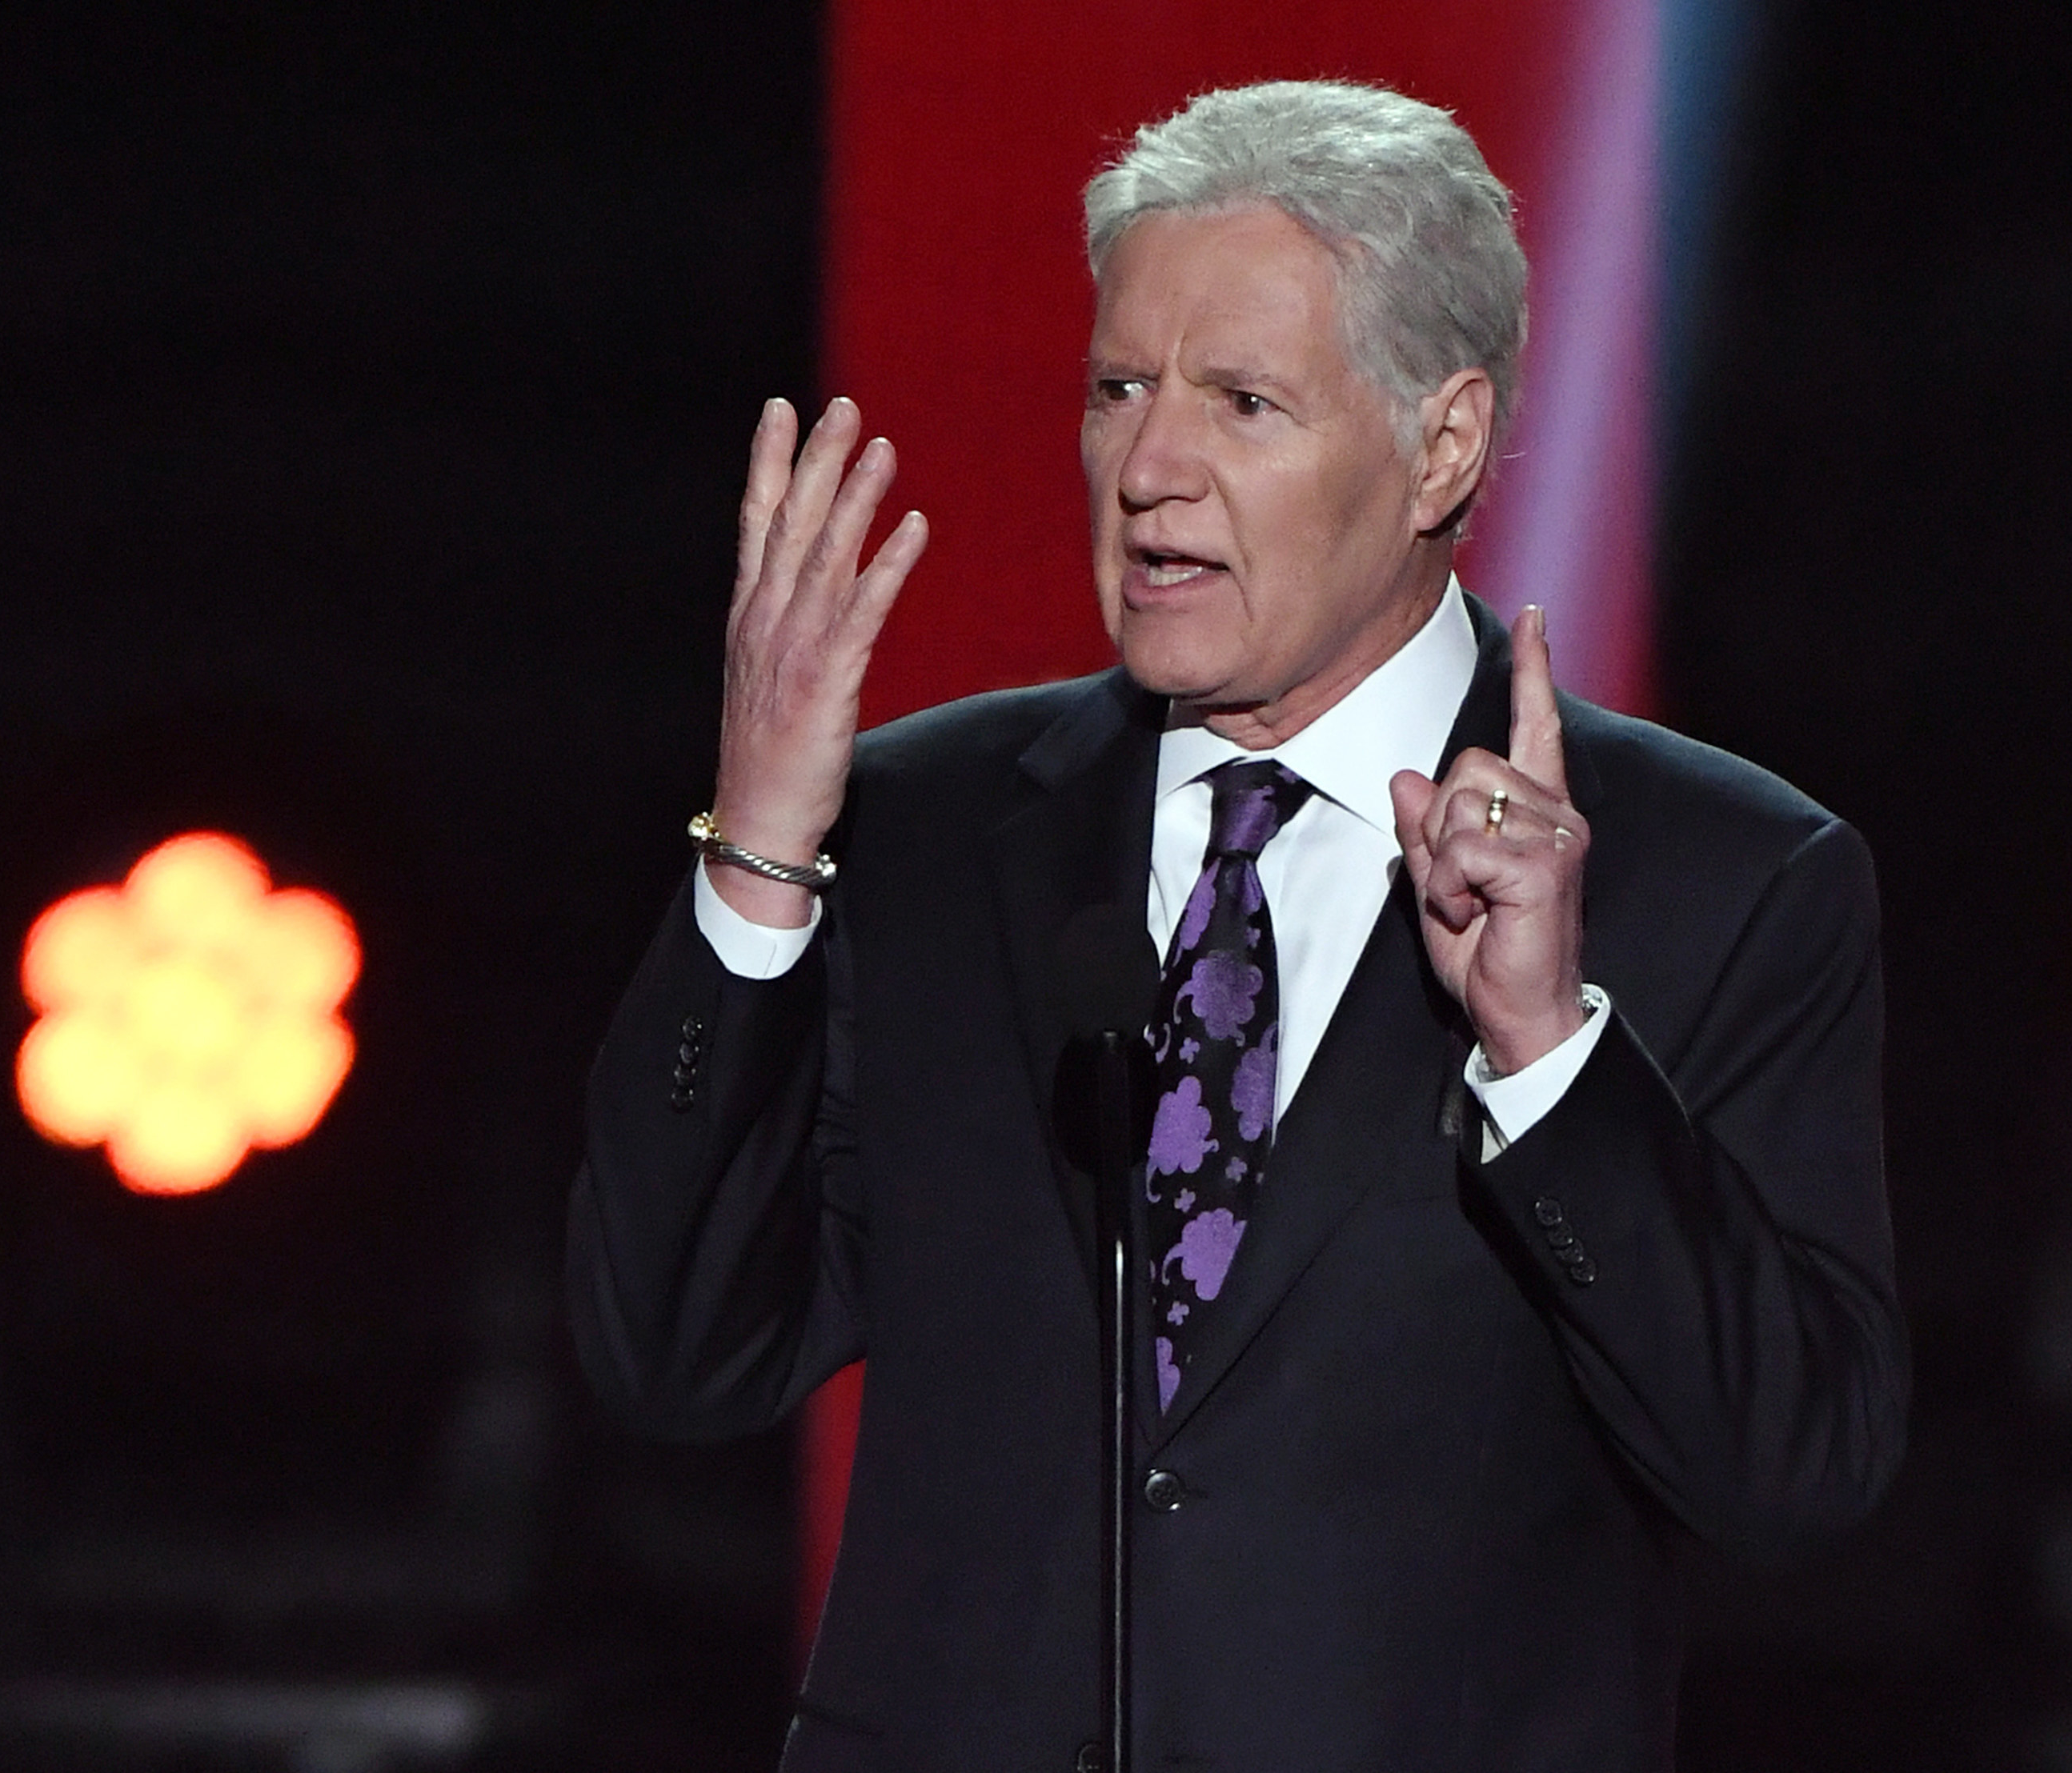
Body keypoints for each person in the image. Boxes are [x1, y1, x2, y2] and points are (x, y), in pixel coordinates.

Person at [568, 80, 1906, 1771]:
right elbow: (673, 1349)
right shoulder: (919, 832)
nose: (1149, 467)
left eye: (1242, 401)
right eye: (1119, 387)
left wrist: (1552, 1056)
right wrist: (759, 856)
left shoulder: (1723, 880)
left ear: (1445, 444)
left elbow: (1794, 1470)